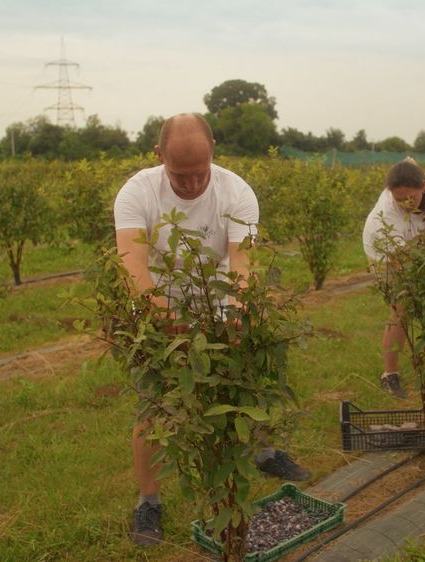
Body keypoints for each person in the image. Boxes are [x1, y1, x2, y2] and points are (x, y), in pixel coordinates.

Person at [113, 113, 310, 546]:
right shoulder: (137, 193)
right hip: (155, 311)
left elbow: (242, 261)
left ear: (214, 151)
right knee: (154, 406)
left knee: (242, 388)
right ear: (158, 156)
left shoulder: (236, 192)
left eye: (199, 173)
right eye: (179, 176)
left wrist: (238, 309)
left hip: (218, 301)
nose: (190, 186)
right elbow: (132, 266)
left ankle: (261, 452)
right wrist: (166, 320)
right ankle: (149, 503)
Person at [362, 158, 425, 398]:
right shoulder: (385, 217)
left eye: (411, 198)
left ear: (423, 187)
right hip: (386, 256)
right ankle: (390, 374)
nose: (406, 204)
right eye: (399, 199)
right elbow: (404, 266)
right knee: (402, 308)